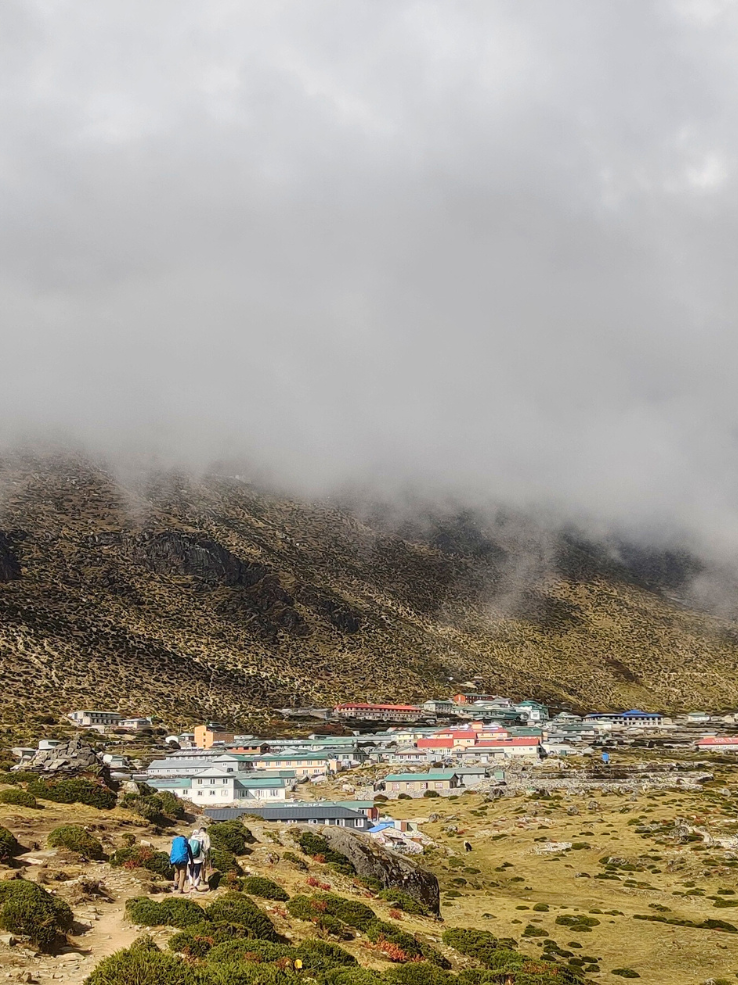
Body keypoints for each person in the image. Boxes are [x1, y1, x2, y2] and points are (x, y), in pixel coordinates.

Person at [188, 826, 211, 892]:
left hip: (191, 858)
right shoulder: (202, 839)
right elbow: (206, 847)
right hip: (200, 858)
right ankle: (198, 883)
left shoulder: (190, 839)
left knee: (191, 871)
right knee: (199, 870)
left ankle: (191, 883)